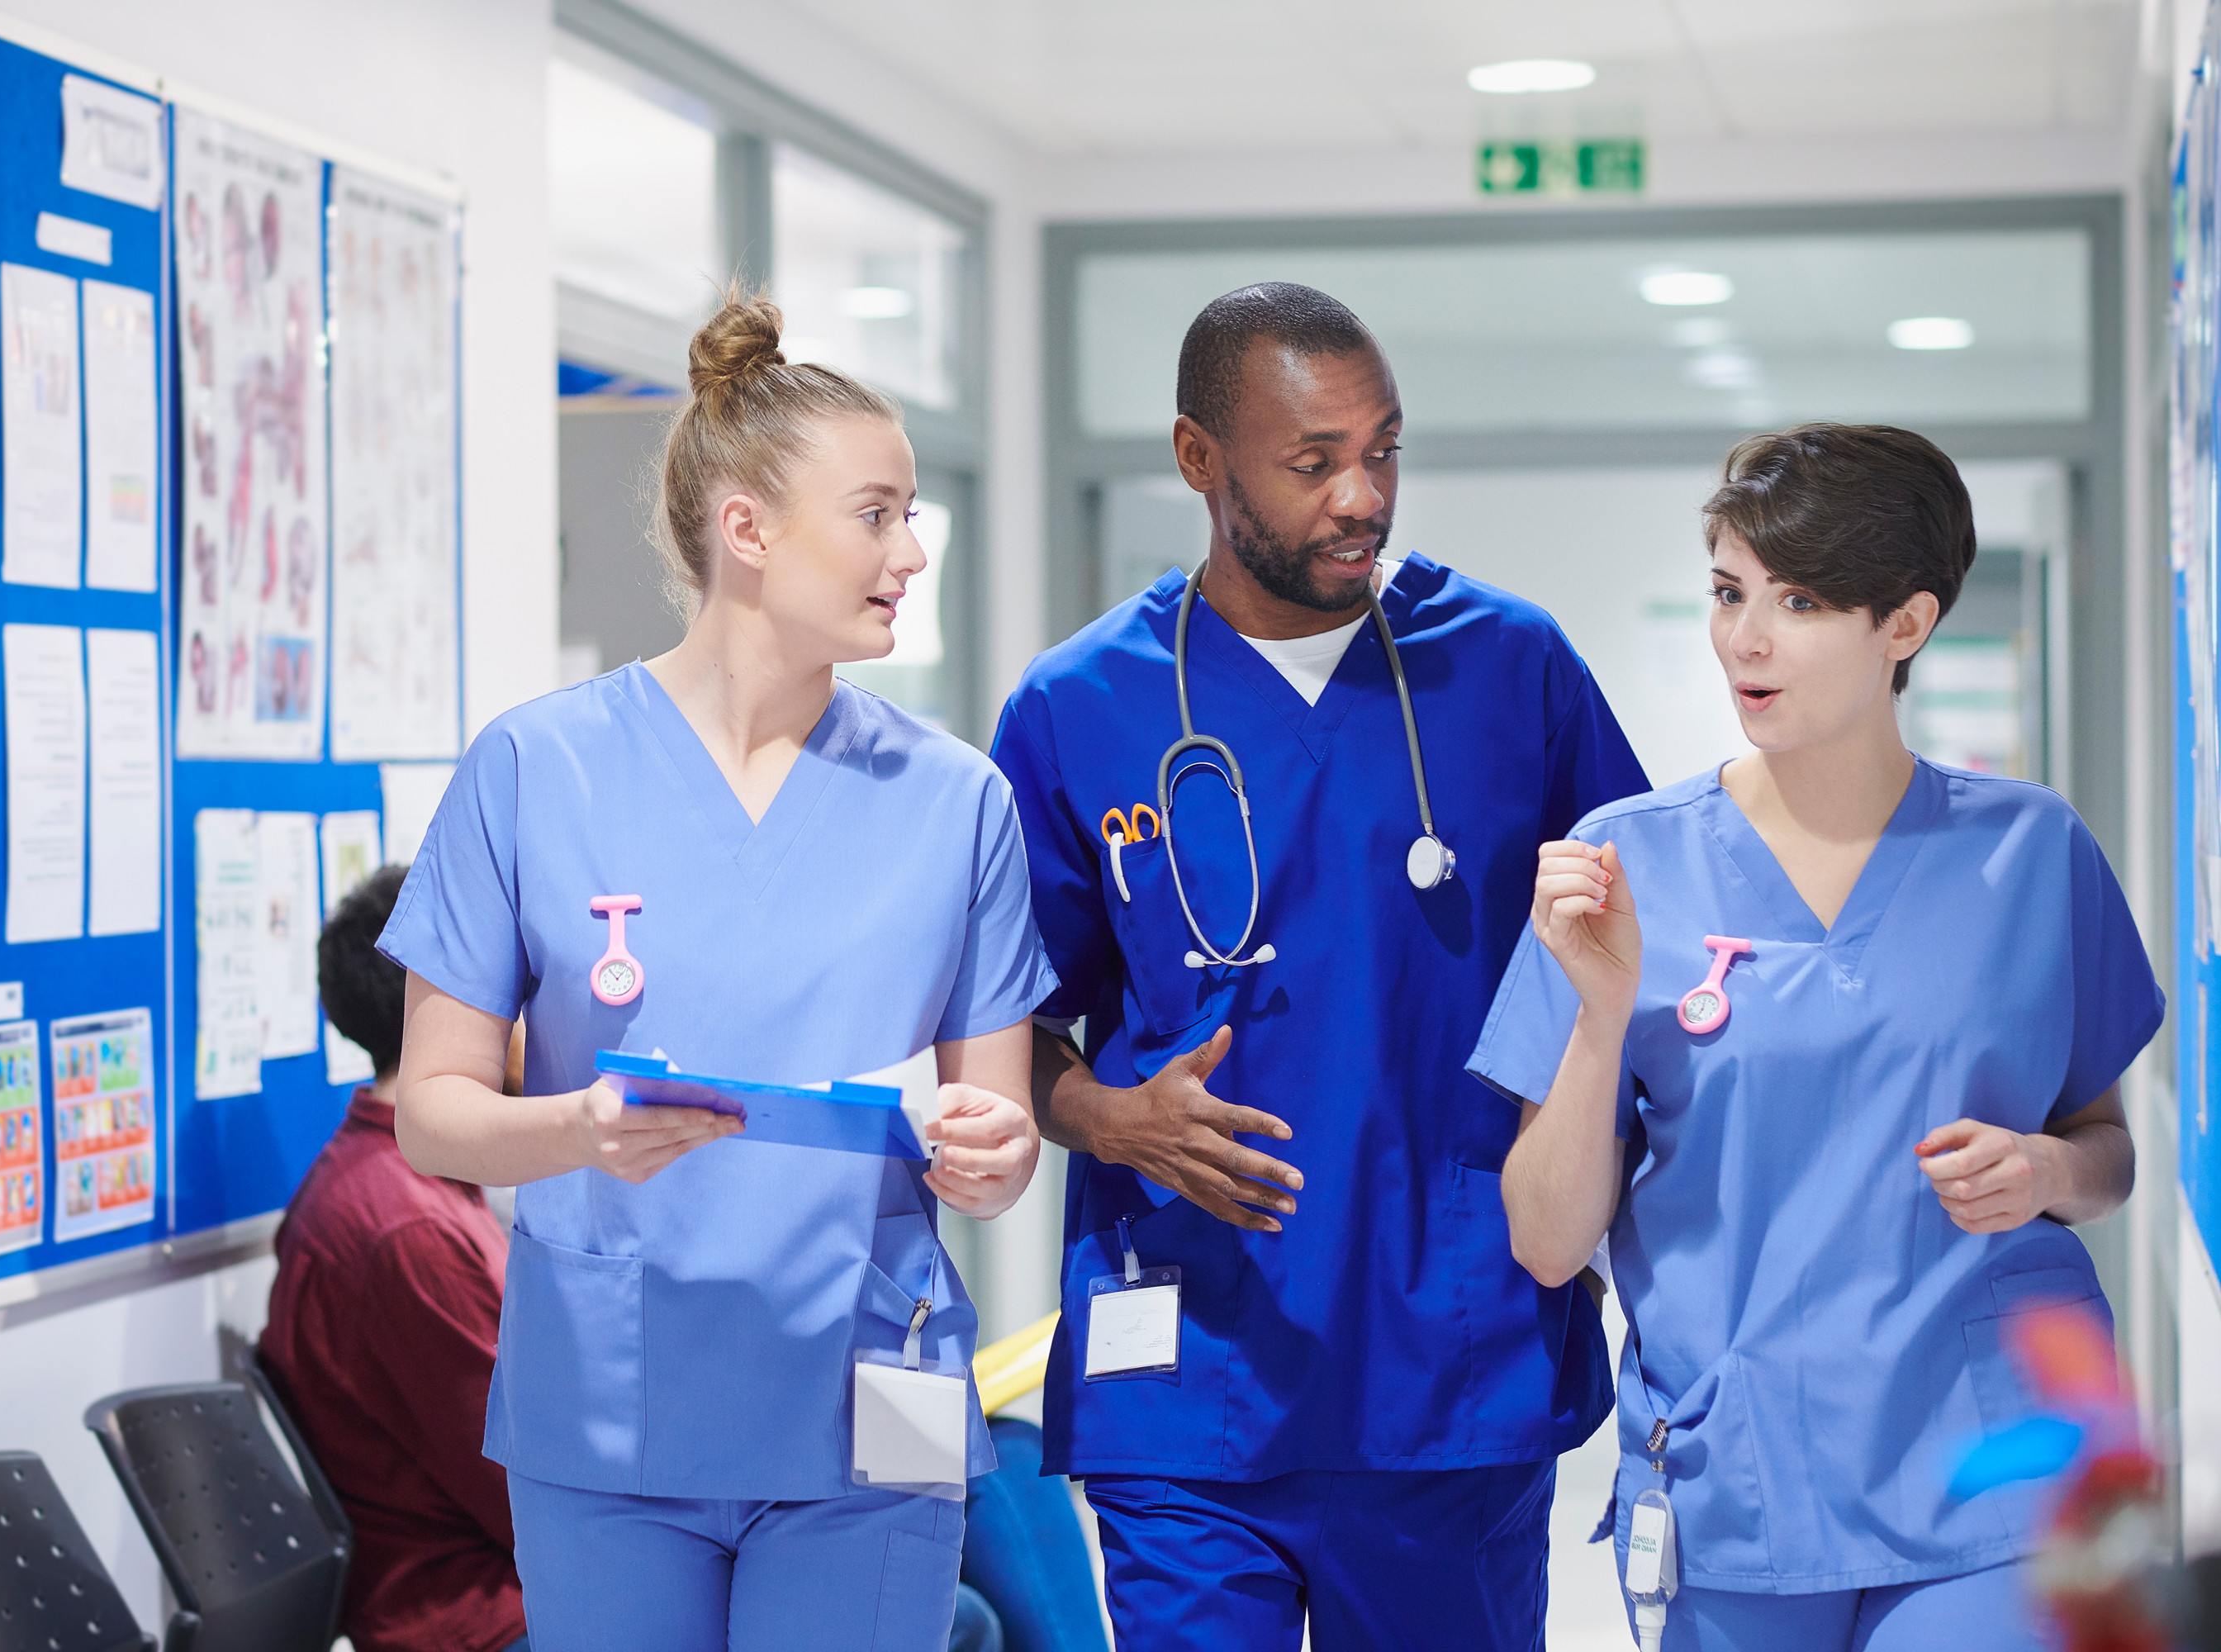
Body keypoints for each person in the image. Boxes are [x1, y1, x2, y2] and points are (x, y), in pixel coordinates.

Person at [379, 289, 1057, 1652]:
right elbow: (432, 1114)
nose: (912, 552)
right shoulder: (534, 770)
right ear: (744, 529)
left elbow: (1001, 1123)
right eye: (877, 514)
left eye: (911, 514)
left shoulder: (956, 800)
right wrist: (581, 1128)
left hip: (876, 1393)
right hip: (614, 1407)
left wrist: (998, 1151)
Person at [991, 282, 1651, 1650]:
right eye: (1314, 462)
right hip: (1186, 1369)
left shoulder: (1510, 668)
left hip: (1442, 1357)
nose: (1362, 494)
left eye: (1384, 450)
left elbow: (1635, 963)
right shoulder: (1077, 708)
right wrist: (1112, 1119)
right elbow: (1008, 1026)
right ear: (1199, 460)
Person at [1469, 424, 2159, 1652]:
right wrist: (1599, 1012)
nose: (1747, 637)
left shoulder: (2031, 854)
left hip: (1989, 1466)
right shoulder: (1624, 863)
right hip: (1737, 1478)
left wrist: (2048, 1172)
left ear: (1905, 624)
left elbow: (2105, 1148)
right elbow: (1544, 1237)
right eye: (1730, 592)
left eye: (1798, 601)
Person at [259, 863, 529, 1652]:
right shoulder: (407, 1234)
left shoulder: (383, 1178)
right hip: (475, 1618)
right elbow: (520, 1492)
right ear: (446, 1012)